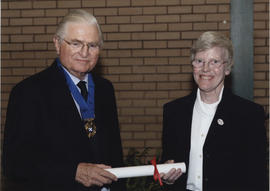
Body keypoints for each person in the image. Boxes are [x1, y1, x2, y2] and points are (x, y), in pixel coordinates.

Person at [2, 9, 126, 191]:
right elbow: (15, 164)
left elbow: (115, 154)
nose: (85, 52)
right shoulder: (28, 92)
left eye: (92, 45)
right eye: (76, 43)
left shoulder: (105, 89)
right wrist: (73, 171)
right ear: (57, 44)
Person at [160, 31, 268, 191]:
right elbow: (169, 163)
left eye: (214, 62)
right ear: (192, 65)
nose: (205, 69)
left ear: (227, 68)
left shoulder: (249, 114)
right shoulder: (174, 111)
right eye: (199, 61)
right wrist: (167, 179)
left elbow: (257, 177)